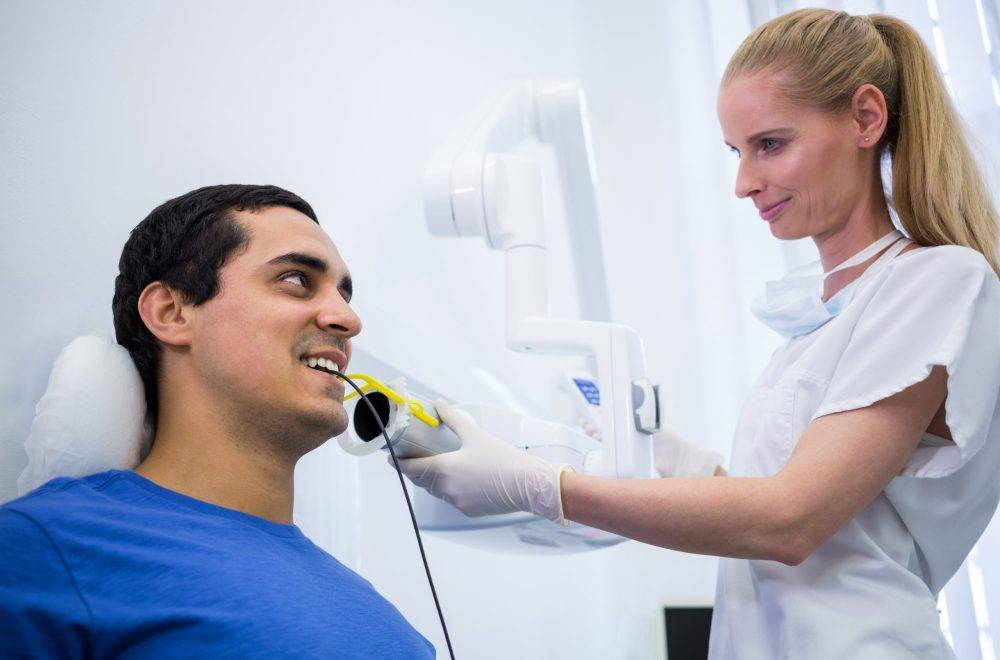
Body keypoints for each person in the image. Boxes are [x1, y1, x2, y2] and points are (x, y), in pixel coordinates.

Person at [397, 9, 1000, 659]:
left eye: (770, 144)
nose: (744, 183)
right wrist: (672, 458)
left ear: (865, 118)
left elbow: (791, 520)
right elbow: (813, 507)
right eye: (737, 153)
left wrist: (545, 488)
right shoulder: (827, 315)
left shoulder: (938, 281)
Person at [0, 185, 435, 658]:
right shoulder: (44, 550)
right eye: (295, 280)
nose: (348, 320)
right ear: (170, 313)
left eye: (344, 295)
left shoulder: (390, 626)